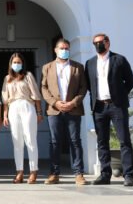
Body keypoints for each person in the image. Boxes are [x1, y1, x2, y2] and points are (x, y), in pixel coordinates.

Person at [85, 33, 133, 187]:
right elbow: (89, 84)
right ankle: (105, 175)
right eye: (95, 43)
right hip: (99, 107)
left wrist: (119, 96)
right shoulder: (90, 63)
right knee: (102, 142)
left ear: (108, 43)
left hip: (117, 105)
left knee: (124, 140)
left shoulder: (119, 59)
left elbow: (130, 81)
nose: (98, 45)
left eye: (100, 42)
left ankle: (128, 175)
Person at [41, 38, 88, 185]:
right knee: (54, 142)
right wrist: (55, 103)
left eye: (67, 48)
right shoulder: (47, 67)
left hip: (73, 110)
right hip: (54, 110)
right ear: (55, 50)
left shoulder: (78, 67)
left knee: (75, 141)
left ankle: (78, 174)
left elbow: (83, 88)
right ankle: (54, 174)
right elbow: (44, 88)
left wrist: (73, 103)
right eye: (62, 48)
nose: (64, 50)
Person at [2, 52, 43, 184]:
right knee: (17, 142)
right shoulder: (7, 78)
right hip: (13, 108)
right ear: (10, 64)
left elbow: (36, 95)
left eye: (19, 62)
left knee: (30, 139)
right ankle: (19, 171)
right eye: (14, 62)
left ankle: (33, 171)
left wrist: (39, 112)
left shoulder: (28, 76)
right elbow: (5, 99)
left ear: (23, 63)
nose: (17, 64)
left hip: (27, 106)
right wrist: (5, 114)